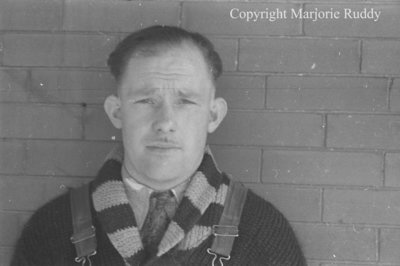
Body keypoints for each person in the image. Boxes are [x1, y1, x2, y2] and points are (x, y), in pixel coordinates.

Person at [11, 25, 306, 266]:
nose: (165, 121)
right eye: (145, 100)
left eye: (186, 101)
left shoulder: (263, 233)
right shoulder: (52, 230)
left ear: (213, 115)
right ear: (117, 112)